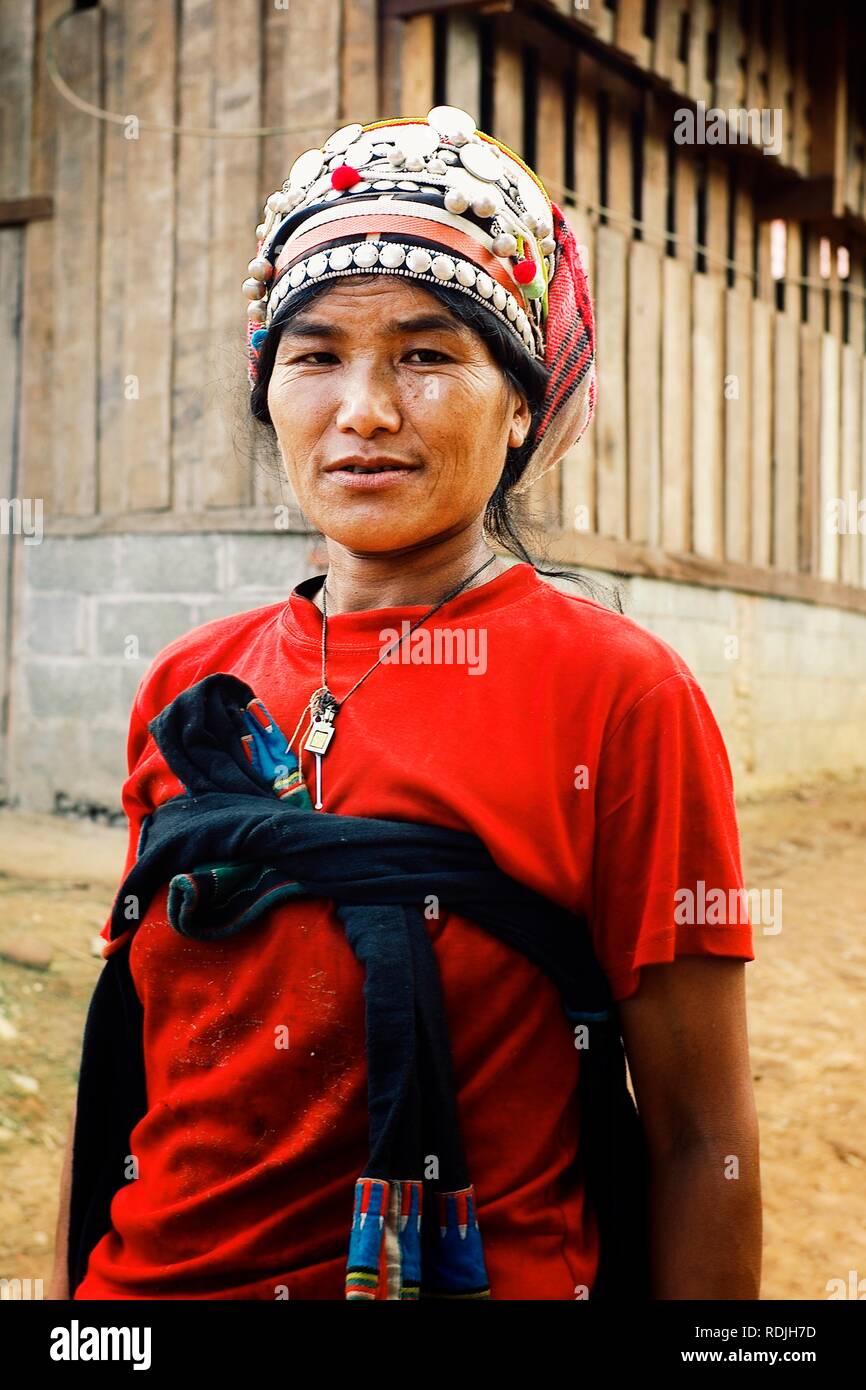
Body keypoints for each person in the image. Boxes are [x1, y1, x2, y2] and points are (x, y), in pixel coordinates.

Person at [50, 106, 760, 1301]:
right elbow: (141, 1076)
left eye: (427, 356)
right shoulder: (191, 689)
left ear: (523, 403)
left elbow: (700, 1139)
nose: (364, 410)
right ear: (268, 388)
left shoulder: (614, 694)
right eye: (315, 355)